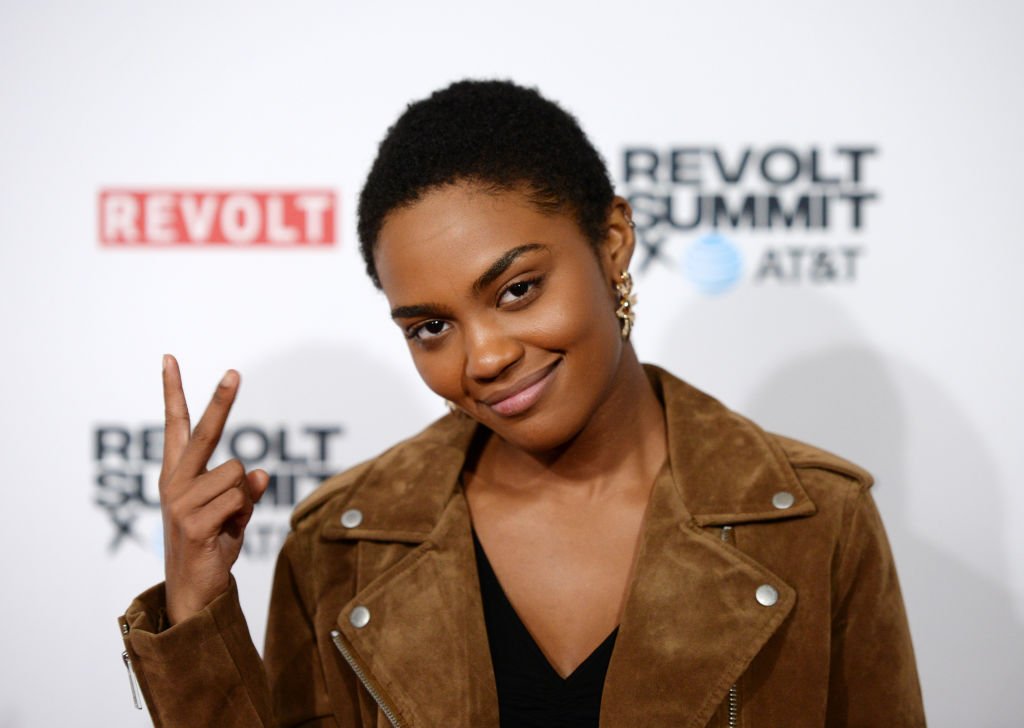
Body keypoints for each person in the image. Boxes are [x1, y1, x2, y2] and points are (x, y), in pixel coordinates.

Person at [119, 80, 925, 727]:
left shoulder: (814, 521)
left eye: (517, 289)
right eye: (431, 326)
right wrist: (196, 614)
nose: (486, 358)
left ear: (611, 242)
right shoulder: (341, 543)